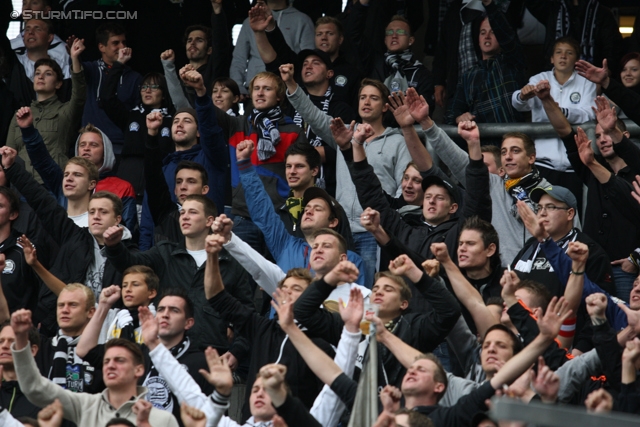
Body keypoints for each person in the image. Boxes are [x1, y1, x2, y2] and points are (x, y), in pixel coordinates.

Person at [288, 77, 412, 287]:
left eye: (373, 98)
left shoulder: (397, 141)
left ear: (384, 107)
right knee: (334, 286)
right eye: (363, 97)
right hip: (341, 230)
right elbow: (313, 116)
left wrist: (392, 222)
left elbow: (405, 186)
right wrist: (292, 86)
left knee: (366, 289)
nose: (366, 102)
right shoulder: (345, 133)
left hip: (373, 230)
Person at [204, 232, 334, 418]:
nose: (287, 292)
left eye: (296, 289)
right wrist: (211, 256)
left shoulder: (321, 346)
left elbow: (328, 403)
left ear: (311, 299)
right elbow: (216, 296)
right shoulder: (261, 328)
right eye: (284, 288)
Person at [180, 66, 304, 257]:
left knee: (280, 278)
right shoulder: (236, 124)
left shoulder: (293, 130)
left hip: (279, 216)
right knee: (243, 279)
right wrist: (200, 90)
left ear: (279, 96)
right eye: (256, 88)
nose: (260, 93)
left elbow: (303, 175)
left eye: (267, 89)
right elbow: (206, 113)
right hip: (242, 217)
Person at [104, 194, 252, 352]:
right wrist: (114, 246)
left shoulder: (231, 263)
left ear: (209, 221)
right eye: (182, 213)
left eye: (192, 212)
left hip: (213, 352)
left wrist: (236, 352)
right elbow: (130, 264)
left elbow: (246, 313)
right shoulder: (164, 252)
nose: (185, 217)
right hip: (166, 350)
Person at [294, 255, 460, 390]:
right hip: (354, 412)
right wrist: (331, 279)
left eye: (388, 290)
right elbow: (302, 311)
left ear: (404, 304)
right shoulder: (350, 324)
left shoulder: (415, 327)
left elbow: (450, 311)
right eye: (375, 289)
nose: (379, 292)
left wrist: (415, 274)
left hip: (401, 412)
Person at [539, 89, 640, 302]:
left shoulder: (637, 170)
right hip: (590, 264)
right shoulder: (591, 165)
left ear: (624, 137)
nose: (602, 139)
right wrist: (546, 98)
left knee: (625, 327)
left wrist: (636, 259)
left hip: (626, 269)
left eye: (607, 134)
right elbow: (565, 131)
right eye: (598, 135)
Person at [10, 309, 179, 426]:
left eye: (119, 360)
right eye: (106, 361)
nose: (110, 365)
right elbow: (34, 387)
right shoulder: (85, 405)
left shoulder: (163, 420)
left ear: (139, 370)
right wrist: (20, 341)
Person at [235, 138, 366, 285]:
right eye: (306, 209)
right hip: (281, 306)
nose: (308, 212)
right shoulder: (285, 245)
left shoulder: (351, 259)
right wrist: (245, 165)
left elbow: (357, 302)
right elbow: (261, 210)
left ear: (333, 221)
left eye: (317, 209)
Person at [77, 288, 213, 425]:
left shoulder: (202, 362)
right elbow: (85, 350)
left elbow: (213, 417)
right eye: (161, 310)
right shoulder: (137, 354)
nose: (165, 315)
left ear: (188, 323)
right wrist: (104, 306)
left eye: (174, 310)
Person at [139, 67, 229, 250]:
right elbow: (149, 217)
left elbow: (211, 131)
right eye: (176, 121)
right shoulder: (164, 167)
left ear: (198, 132)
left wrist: (201, 94)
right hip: (167, 252)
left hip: (207, 248)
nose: (179, 124)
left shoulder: (211, 158)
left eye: (187, 121)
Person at [15, 107, 138, 232]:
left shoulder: (122, 187)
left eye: (93, 145)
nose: (86, 148)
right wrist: (28, 131)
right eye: (82, 144)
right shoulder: (66, 181)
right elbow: (42, 162)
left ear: (106, 152)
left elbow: (128, 231)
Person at [512, 37, 596, 209]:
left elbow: (588, 114)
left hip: (574, 165)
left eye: (569, 53)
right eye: (558, 52)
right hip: (544, 162)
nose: (563, 56)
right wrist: (522, 95)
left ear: (577, 60)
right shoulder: (539, 78)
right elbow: (517, 105)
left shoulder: (586, 82)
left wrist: (560, 112)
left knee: (573, 214)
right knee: (542, 214)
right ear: (551, 58)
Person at [100, 47, 175, 205]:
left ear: (164, 93)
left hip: (157, 193)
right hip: (127, 192)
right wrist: (119, 64)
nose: (147, 90)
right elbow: (106, 98)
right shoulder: (130, 116)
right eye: (144, 86)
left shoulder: (174, 119)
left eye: (154, 87)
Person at [6, 37, 85, 184]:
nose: (41, 76)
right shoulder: (21, 114)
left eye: (48, 74)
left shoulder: (64, 111)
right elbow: (9, 153)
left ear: (59, 84)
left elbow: (79, 95)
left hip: (52, 184)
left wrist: (74, 58)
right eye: (37, 73)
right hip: (22, 185)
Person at [511, 185, 614, 297]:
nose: (542, 213)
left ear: (569, 214)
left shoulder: (588, 250)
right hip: (522, 313)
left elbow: (601, 300)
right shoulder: (531, 244)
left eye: (550, 207)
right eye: (539, 207)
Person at [278, 53, 357, 197]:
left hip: (330, 188)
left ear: (329, 73)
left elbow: (349, 147)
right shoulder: (288, 105)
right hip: (291, 186)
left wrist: (311, 154)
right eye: (305, 63)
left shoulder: (341, 108)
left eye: (316, 63)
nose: (308, 66)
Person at [445, 0, 525, 128]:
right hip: (483, 144)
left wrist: (489, 5)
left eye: (493, 32)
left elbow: (508, 38)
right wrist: (458, 117)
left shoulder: (512, 62)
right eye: (482, 32)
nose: (487, 36)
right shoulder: (468, 76)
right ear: (478, 40)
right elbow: (451, 112)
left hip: (511, 141)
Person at [256, 14, 362, 106]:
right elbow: (281, 50)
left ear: (340, 39)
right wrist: (268, 26)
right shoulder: (301, 67)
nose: (324, 37)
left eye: (329, 33)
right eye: (319, 34)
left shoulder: (352, 73)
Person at [345, 2, 434, 107]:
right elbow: (353, 34)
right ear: (385, 40)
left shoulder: (421, 73)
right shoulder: (373, 62)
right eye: (389, 33)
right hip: (376, 122)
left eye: (400, 32)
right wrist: (362, 5)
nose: (394, 36)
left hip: (408, 122)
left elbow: (426, 108)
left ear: (411, 40)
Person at [80, 23, 142, 155]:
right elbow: (75, 73)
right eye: (115, 43)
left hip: (119, 144)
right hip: (90, 143)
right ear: (101, 47)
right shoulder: (91, 69)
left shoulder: (135, 78)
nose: (122, 47)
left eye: (123, 42)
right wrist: (74, 56)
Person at [230, 0, 314, 96]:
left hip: (290, 87)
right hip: (255, 89)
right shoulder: (250, 21)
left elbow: (308, 59)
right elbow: (239, 58)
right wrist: (237, 87)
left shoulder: (303, 19)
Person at [161, 1, 232, 109]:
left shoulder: (214, 71)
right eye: (189, 40)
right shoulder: (182, 74)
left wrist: (217, 11)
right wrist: (168, 64)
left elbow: (221, 45)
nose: (192, 43)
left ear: (209, 50)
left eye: (199, 40)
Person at [0, 320, 41, 420]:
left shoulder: (45, 396)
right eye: (0, 341)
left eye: (13, 341)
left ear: (32, 350)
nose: (4, 346)